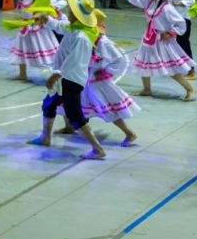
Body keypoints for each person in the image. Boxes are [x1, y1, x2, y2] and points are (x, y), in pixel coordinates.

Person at [30, 0, 107, 160]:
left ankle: (97, 149)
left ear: (76, 15)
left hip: (70, 80)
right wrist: (45, 18)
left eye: (70, 11)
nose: (68, 12)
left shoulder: (81, 37)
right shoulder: (74, 28)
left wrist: (55, 75)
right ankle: (45, 137)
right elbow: (59, 25)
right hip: (65, 79)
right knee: (48, 105)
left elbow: (73, 62)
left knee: (75, 115)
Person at [54, 9, 139, 146]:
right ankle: (69, 125)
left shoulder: (103, 42)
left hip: (95, 81)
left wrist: (106, 71)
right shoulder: (85, 35)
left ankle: (129, 132)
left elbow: (120, 60)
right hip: (81, 76)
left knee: (106, 107)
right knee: (67, 101)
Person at [113, 0, 196, 101]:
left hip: (162, 41)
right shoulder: (149, 1)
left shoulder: (167, 8)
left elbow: (181, 23)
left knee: (171, 68)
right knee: (144, 63)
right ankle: (147, 89)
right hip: (149, 38)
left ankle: (190, 89)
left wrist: (171, 33)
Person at [150, 0, 197, 80]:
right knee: (174, 44)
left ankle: (191, 71)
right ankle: (176, 68)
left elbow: (191, 0)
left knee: (184, 43)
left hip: (182, 19)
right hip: (171, 20)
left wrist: (176, 3)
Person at [8, 0, 59, 82]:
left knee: (47, 53)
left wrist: (36, 19)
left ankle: (57, 74)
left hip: (37, 29)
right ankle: (22, 74)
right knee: (21, 50)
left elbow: (46, 13)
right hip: (25, 27)